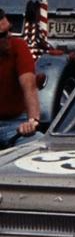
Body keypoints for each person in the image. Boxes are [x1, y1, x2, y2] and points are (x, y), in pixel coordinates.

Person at [0, 15, 41, 146]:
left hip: (13, 123)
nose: (9, 36)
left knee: (38, 143)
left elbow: (29, 86)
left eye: (10, 30)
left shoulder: (18, 46)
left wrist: (32, 121)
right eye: (3, 34)